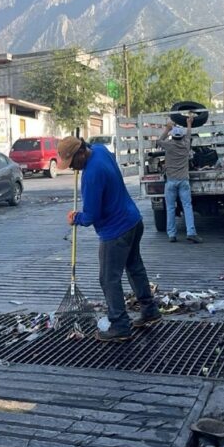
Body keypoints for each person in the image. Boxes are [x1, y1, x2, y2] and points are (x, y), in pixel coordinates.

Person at [59, 135, 160, 342]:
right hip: (133, 220)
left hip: (116, 232)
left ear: (80, 153)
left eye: (72, 163)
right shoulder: (100, 150)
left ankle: (120, 325)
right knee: (134, 267)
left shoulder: (91, 176)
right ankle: (150, 310)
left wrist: (75, 218)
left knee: (108, 278)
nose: (72, 169)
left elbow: (91, 216)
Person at [160, 115, 202, 243]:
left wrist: (167, 129)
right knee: (187, 206)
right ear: (182, 136)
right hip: (184, 180)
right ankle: (191, 232)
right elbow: (189, 135)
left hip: (171, 181)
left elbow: (159, 140)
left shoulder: (168, 145)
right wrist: (189, 123)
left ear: (173, 136)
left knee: (171, 208)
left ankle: (172, 235)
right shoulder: (186, 145)